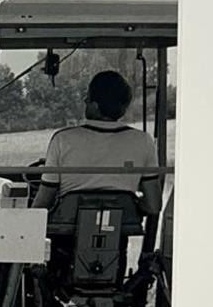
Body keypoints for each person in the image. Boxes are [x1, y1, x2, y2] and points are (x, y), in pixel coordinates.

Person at [33, 70, 162, 216]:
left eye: (87, 97)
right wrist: (128, 205)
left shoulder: (62, 140)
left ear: (95, 105)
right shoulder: (143, 141)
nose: (84, 101)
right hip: (122, 228)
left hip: (67, 228)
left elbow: (43, 203)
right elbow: (153, 206)